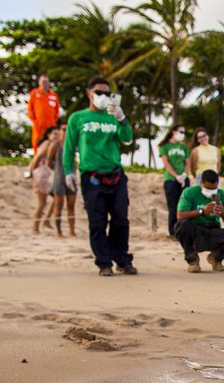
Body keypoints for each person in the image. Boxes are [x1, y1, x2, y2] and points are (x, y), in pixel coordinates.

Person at [62, 76, 135, 276]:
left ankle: (122, 258)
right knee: (97, 221)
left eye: (107, 93)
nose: (103, 97)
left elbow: (127, 138)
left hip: (116, 175)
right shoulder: (77, 118)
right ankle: (104, 262)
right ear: (89, 93)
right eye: (99, 93)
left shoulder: (113, 116)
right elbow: (69, 147)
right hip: (91, 176)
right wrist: (69, 171)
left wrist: (122, 119)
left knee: (121, 219)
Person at [175, 169, 224, 272]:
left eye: (214, 189)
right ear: (201, 183)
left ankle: (216, 257)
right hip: (196, 232)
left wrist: (223, 213)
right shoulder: (190, 192)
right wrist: (202, 211)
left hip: (214, 230)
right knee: (182, 225)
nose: (211, 191)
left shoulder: (222, 195)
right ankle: (193, 260)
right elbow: (180, 215)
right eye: (207, 188)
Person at [159, 124, 191, 236]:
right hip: (170, 179)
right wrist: (176, 176)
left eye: (184, 133)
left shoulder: (184, 147)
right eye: (181, 132)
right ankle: (173, 231)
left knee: (184, 205)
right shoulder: (164, 147)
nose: (183, 135)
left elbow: (188, 163)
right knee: (173, 206)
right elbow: (166, 163)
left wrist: (184, 175)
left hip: (184, 179)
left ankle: (183, 230)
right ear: (174, 132)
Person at [49, 118, 77, 237]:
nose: (66, 131)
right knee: (58, 205)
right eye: (64, 129)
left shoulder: (73, 144)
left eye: (67, 129)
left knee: (71, 206)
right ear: (60, 130)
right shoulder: (56, 145)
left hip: (72, 176)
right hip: (59, 177)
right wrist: (57, 171)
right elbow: (49, 161)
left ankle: (72, 231)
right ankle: (59, 232)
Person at [29, 125, 59, 233]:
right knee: (42, 202)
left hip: (48, 174)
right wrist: (30, 172)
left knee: (56, 197)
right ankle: (35, 227)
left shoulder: (54, 145)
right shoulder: (47, 144)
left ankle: (46, 220)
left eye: (58, 134)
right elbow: (36, 158)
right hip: (42, 174)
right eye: (55, 134)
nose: (57, 136)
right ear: (48, 135)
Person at [26, 74, 60, 153]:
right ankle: (37, 159)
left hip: (50, 125)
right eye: (43, 81)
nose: (44, 83)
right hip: (38, 124)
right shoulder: (34, 93)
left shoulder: (53, 95)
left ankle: (49, 160)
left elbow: (57, 111)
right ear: (39, 82)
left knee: (52, 141)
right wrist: (35, 121)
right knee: (37, 141)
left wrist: (53, 122)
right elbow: (29, 110)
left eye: (46, 81)